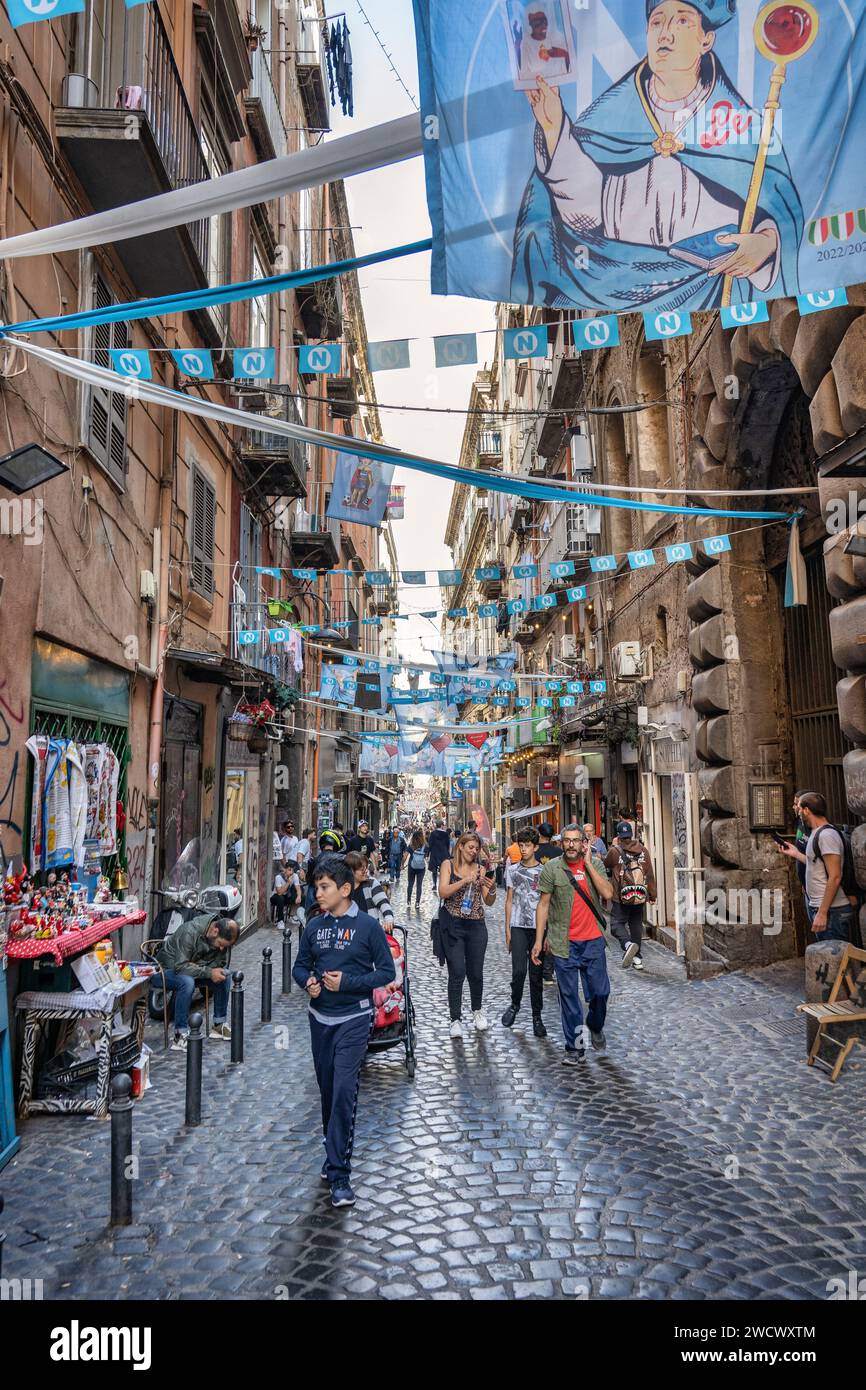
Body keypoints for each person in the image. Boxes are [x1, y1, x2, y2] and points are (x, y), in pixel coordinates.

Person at [513, 0, 802, 310]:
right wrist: (555, 129)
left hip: (720, 294)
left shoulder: (746, 127)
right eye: (657, 22)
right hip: (620, 287)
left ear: (706, 39)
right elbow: (585, 216)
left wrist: (767, 244)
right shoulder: (606, 122)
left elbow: (781, 208)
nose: (665, 33)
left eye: (681, 22)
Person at [292, 856, 396, 1208]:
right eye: (316, 887)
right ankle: (331, 1150)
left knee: (342, 1093)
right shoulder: (313, 927)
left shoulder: (367, 927)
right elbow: (300, 965)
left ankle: (340, 1175)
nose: (317, 894)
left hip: (354, 1019)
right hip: (319, 1021)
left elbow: (385, 973)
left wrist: (348, 982)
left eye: (324, 887)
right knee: (326, 1091)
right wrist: (307, 981)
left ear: (346, 889)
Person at [532, 825, 613, 1064]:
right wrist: (539, 940)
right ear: (561, 843)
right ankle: (575, 1047)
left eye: (575, 841)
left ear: (583, 844)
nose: (570, 845)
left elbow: (608, 894)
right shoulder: (552, 869)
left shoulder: (595, 866)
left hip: (593, 942)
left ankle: (595, 1024)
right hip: (562, 942)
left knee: (600, 992)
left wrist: (588, 865)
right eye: (566, 840)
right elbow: (543, 905)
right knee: (569, 999)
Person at [438, 831, 497, 1037]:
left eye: (476, 848)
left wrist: (491, 889)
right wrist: (465, 881)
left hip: (476, 925)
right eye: (470, 847)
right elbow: (443, 891)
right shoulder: (448, 865)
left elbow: (488, 902)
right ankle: (455, 1019)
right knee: (457, 972)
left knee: (476, 972)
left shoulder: (481, 869)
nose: (474, 851)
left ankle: (477, 1011)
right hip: (453, 925)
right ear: (460, 846)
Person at [778, 792, 854, 943]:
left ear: (806, 810)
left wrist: (822, 912)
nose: (797, 812)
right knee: (832, 959)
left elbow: (835, 876)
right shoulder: (816, 832)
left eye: (799, 808)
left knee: (835, 960)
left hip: (832, 911)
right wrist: (794, 853)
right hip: (824, 909)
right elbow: (816, 863)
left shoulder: (827, 835)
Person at [156, 913, 240, 1050]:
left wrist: (216, 971)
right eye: (220, 944)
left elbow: (219, 963)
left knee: (225, 976)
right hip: (165, 970)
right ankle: (180, 1035)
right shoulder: (190, 931)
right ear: (215, 931)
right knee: (187, 982)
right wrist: (208, 972)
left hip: (193, 970)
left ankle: (218, 1025)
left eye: (225, 946)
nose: (221, 949)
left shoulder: (219, 939)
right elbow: (181, 966)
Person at [502, 827, 546, 1037]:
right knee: (519, 971)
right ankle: (515, 1004)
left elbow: (548, 903)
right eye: (521, 845)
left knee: (536, 975)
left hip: (538, 928)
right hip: (518, 926)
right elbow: (509, 900)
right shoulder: (512, 870)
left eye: (528, 845)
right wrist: (507, 930)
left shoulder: (544, 872)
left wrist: (547, 934)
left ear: (535, 847)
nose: (524, 849)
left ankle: (537, 1016)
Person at [605, 820, 657, 971]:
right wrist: (652, 895)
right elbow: (650, 874)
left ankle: (628, 945)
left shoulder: (615, 851)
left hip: (621, 897)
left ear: (619, 836)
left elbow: (606, 863)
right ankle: (637, 958)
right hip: (639, 895)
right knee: (635, 925)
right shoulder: (643, 850)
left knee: (616, 925)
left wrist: (613, 845)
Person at [345, 850, 395, 929]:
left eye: (366, 868)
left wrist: (388, 918)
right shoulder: (343, 889)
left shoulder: (371, 883)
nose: (366, 871)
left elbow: (384, 903)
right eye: (362, 870)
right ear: (351, 871)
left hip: (369, 931)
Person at [406, 829, 427, 909]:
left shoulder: (411, 845)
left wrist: (402, 865)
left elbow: (405, 855)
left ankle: (408, 901)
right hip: (421, 868)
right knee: (419, 885)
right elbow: (426, 856)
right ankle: (417, 902)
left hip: (411, 866)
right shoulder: (425, 846)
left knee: (410, 884)